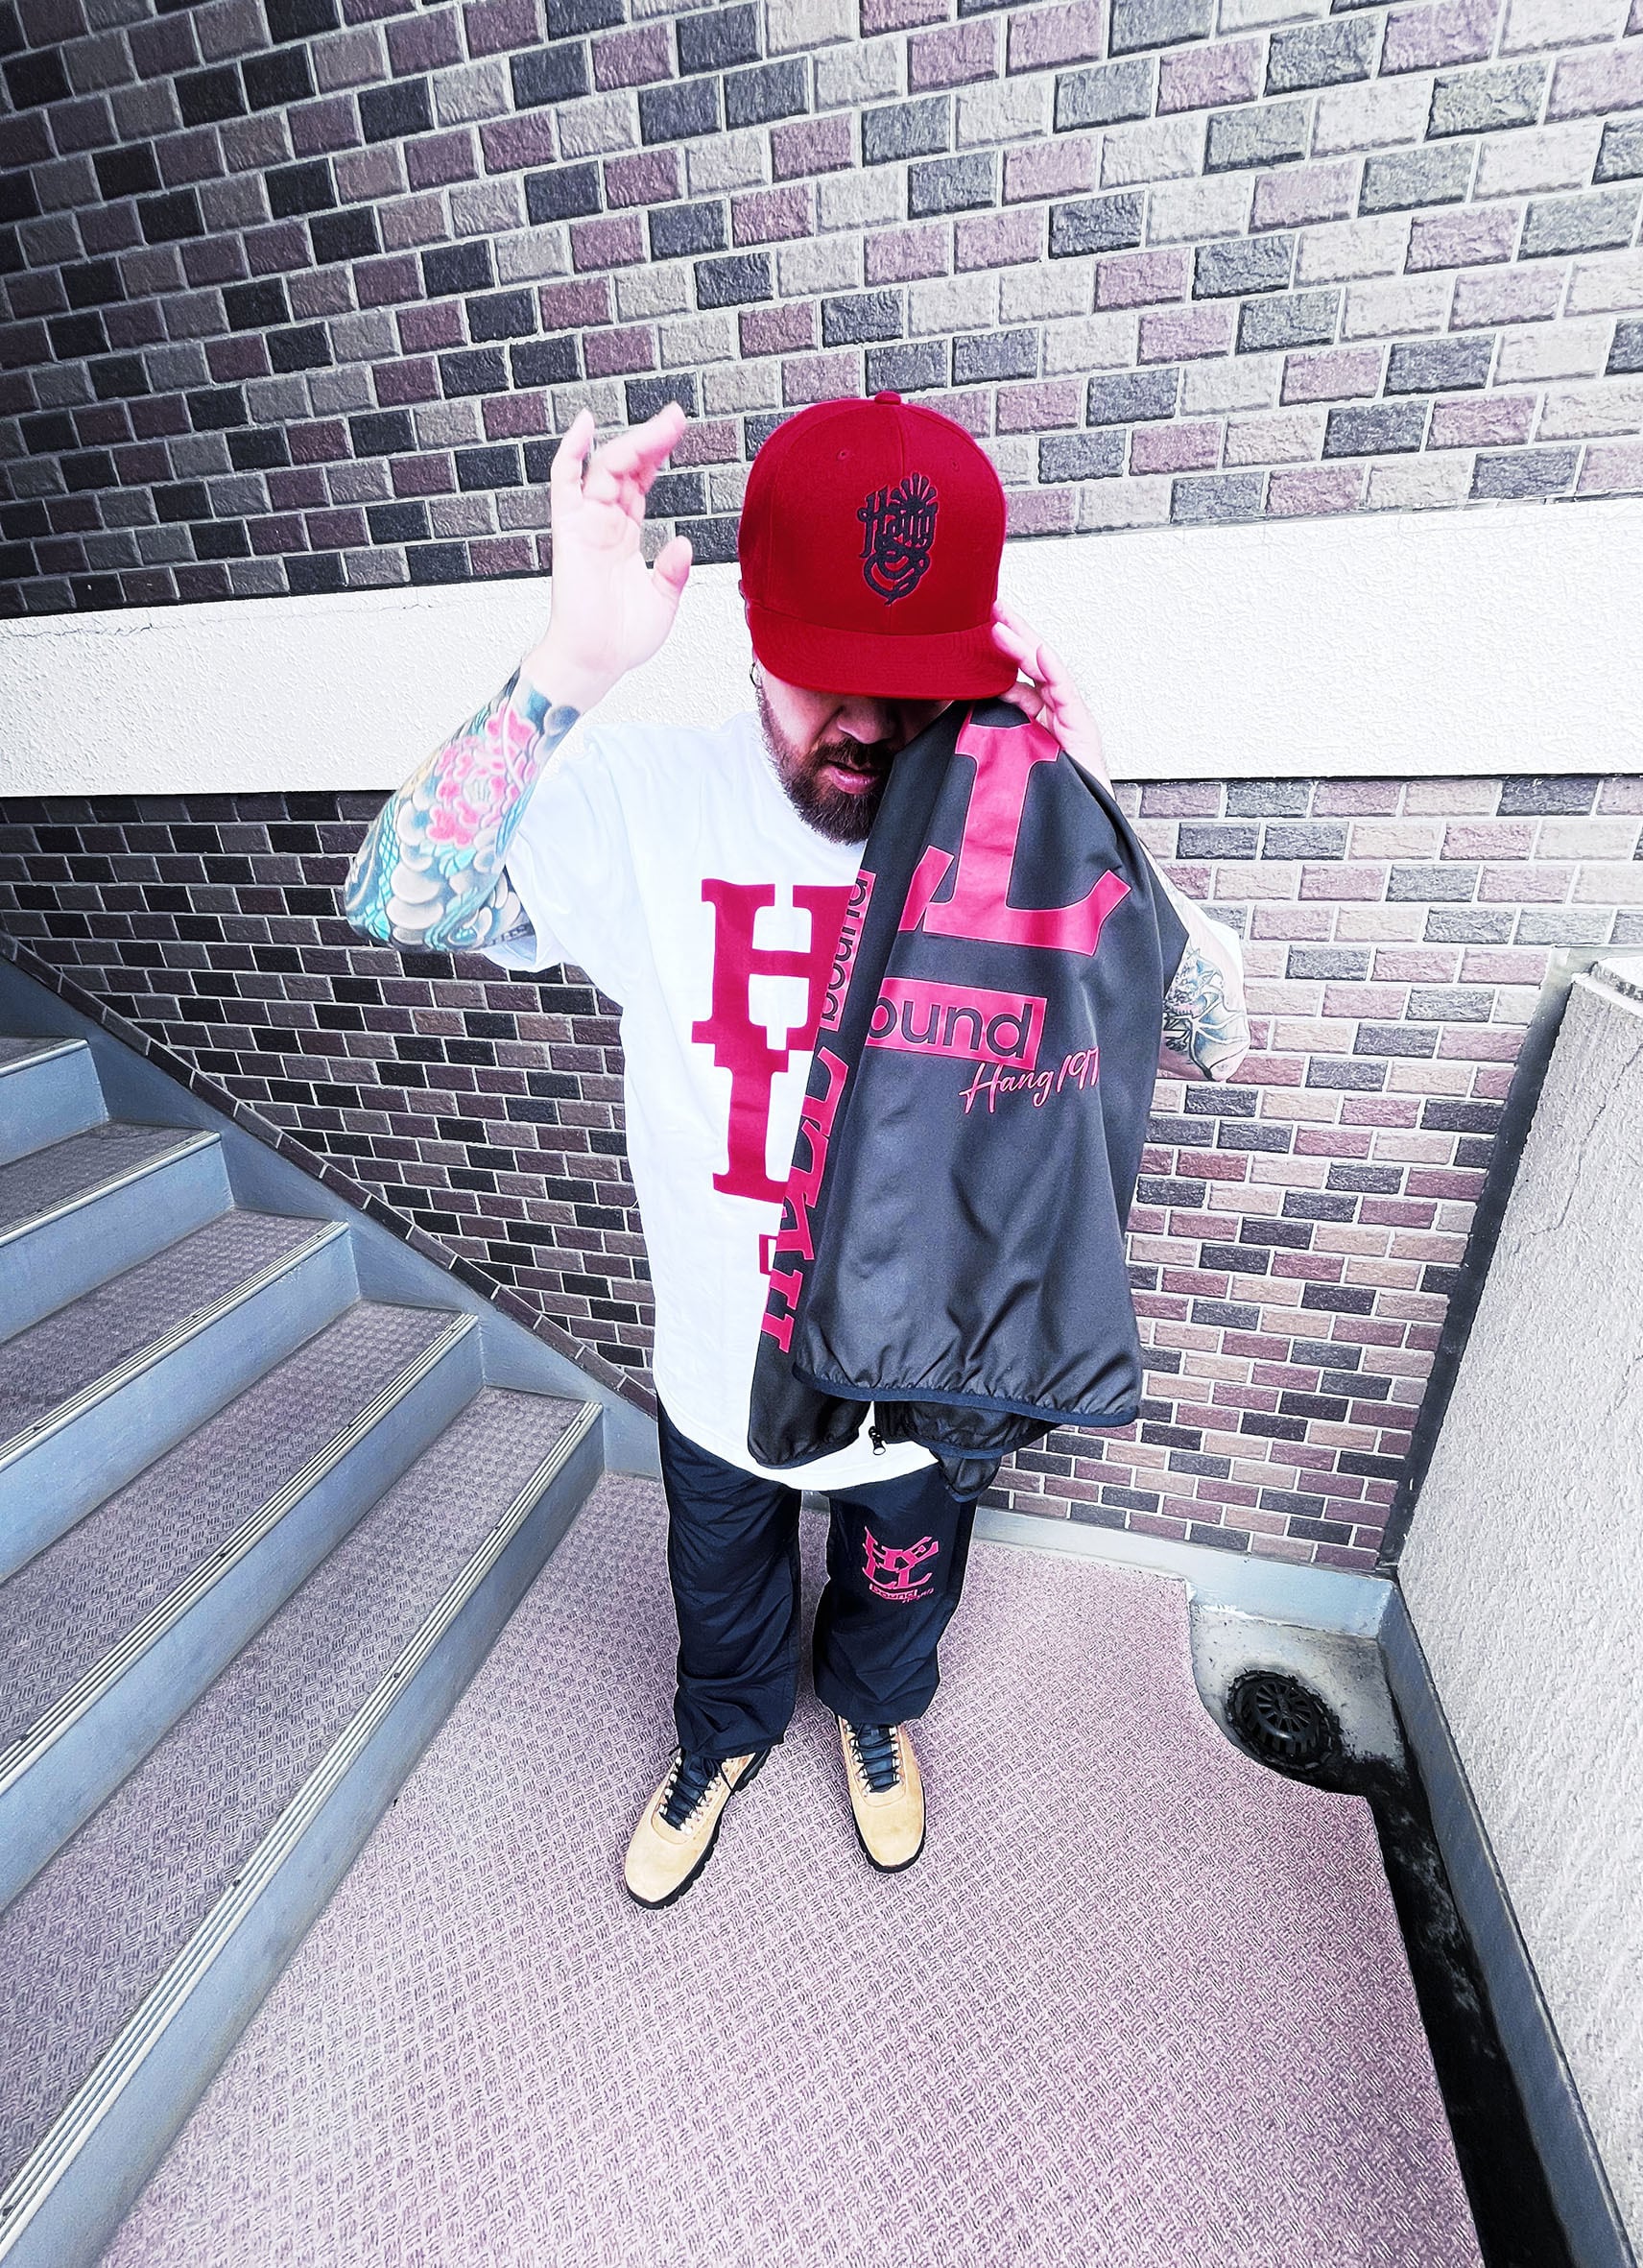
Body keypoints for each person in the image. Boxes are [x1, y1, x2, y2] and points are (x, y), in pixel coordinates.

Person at [344, 392, 1248, 1911]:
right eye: (831, 677)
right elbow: (400, 898)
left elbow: (1213, 1029)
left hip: (928, 1385)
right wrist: (571, 664)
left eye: (915, 688)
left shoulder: (1022, 828)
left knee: (901, 1604)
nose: (872, 728)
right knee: (722, 1601)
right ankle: (726, 1736)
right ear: (754, 640)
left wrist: (1094, 805)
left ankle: (875, 1717)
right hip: (722, 1368)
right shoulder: (649, 804)